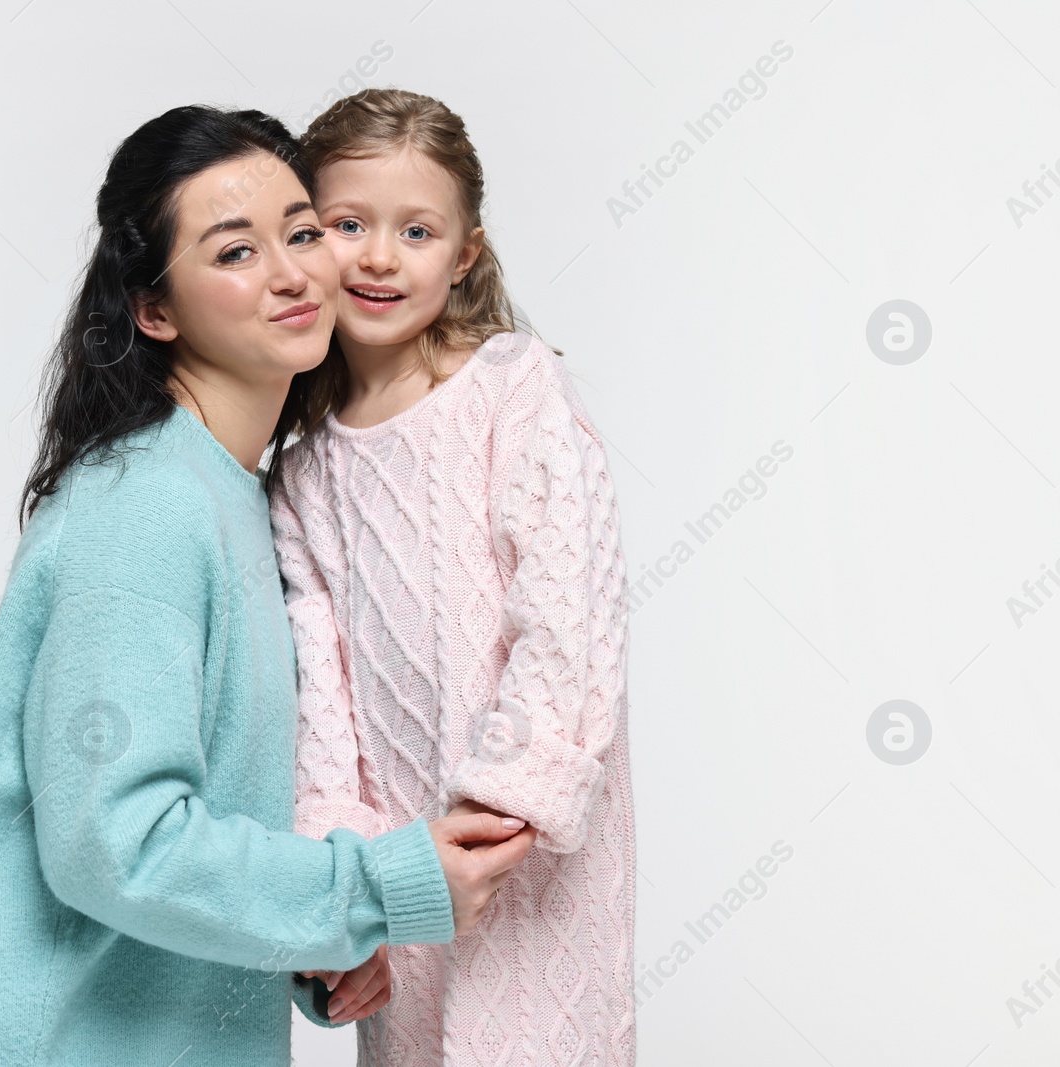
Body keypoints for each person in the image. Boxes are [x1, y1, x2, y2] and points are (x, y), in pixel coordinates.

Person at [0, 104, 536, 1067]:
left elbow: (197, 833)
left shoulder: (236, 495)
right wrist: (376, 887)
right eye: (236, 252)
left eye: (302, 231)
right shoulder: (148, 506)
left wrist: (314, 949)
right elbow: (116, 842)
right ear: (154, 310)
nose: (293, 272)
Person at [270, 88, 637, 1064]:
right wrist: (342, 898)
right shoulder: (304, 475)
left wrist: (493, 818)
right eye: (348, 225)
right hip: (408, 883)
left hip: (529, 868)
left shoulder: (513, 390)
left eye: (416, 230)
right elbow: (326, 725)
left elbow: (567, 623)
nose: (380, 256)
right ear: (304, 236)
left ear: (463, 253)